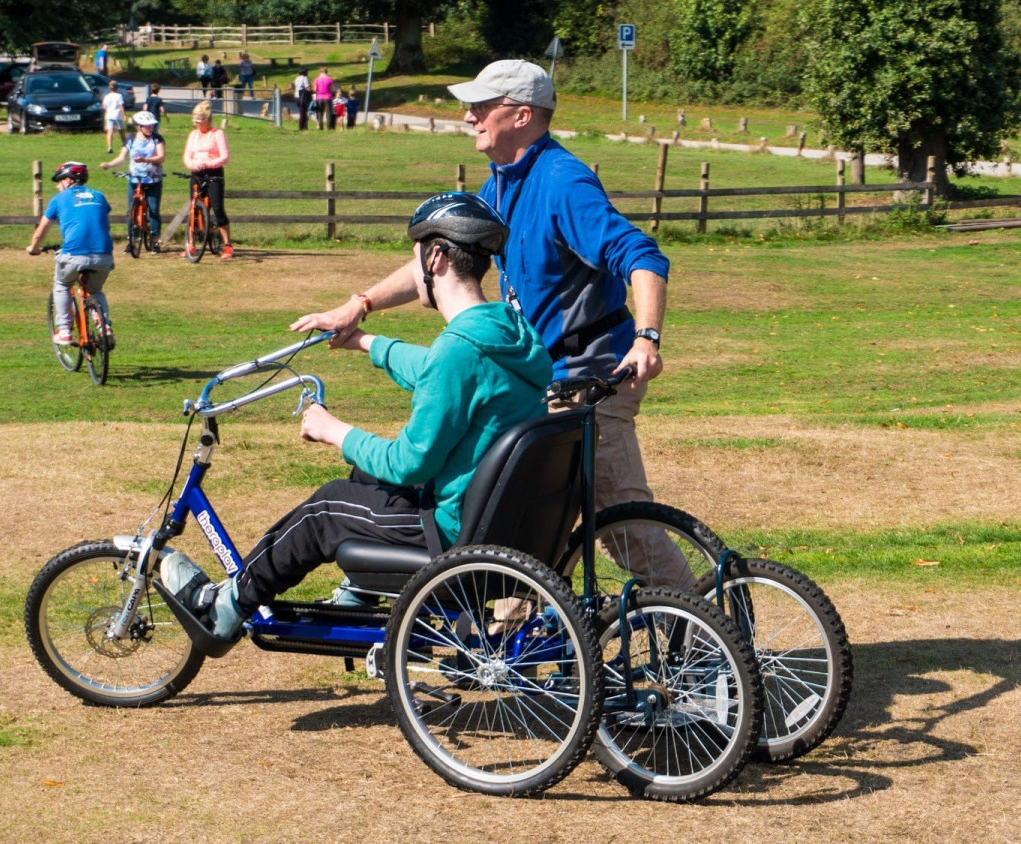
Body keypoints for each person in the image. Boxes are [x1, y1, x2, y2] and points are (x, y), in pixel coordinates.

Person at [293, 60, 693, 590]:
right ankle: (504, 647)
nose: (468, 116)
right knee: (510, 522)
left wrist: (647, 337)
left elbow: (641, 255)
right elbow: (436, 265)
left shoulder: (562, 182)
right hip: (540, 381)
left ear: (522, 115)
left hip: (590, 381)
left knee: (624, 527)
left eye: (481, 106)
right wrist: (360, 304)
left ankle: (710, 650)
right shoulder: (498, 186)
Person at [160, 193, 551, 639]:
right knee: (364, 473)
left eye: (416, 253)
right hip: (499, 519)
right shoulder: (508, 332)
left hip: (453, 530)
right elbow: (436, 371)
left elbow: (411, 462)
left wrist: (333, 430)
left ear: (437, 257)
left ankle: (222, 609)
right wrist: (364, 341)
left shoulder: (460, 348)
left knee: (325, 508)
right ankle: (359, 595)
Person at [26, 162, 115, 348]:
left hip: (74, 253)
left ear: (68, 180)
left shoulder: (59, 199)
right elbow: (106, 227)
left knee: (62, 284)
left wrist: (33, 248)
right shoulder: (99, 196)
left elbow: (41, 231)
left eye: (59, 181)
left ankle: (65, 331)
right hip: (104, 254)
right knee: (96, 290)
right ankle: (104, 326)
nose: (58, 186)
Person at [100, 111, 165, 253]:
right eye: (147, 126)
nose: (151, 128)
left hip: (153, 180)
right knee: (131, 211)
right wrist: (109, 165)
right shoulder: (131, 139)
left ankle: (155, 240)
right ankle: (131, 239)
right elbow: (122, 158)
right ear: (139, 127)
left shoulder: (157, 139)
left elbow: (161, 157)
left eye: (152, 125)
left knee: (153, 210)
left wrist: (145, 160)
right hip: (135, 180)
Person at [183, 100, 233, 260]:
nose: (196, 123)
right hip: (197, 173)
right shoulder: (193, 135)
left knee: (217, 208)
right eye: (194, 120)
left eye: (199, 120)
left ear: (207, 119)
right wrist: (192, 164)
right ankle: (191, 244)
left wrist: (209, 163)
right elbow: (187, 155)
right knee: (193, 208)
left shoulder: (217, 133)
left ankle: (227, 245)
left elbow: (224, 156)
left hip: (214, 174)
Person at [101, 80, 126, 154]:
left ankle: (110, 147)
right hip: (117, 115)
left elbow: (104, 107)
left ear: (109, 88)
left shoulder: (107, 96)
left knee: (110, 131)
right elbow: (121, 106)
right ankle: (124, 143)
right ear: (117, 88)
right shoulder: (119, 96)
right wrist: (124, 115)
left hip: (109, 115)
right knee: (121, 130)